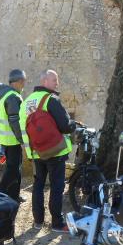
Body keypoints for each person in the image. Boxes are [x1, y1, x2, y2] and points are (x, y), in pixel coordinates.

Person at [19, 69, 75, 233]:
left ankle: (38, 221)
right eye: (54, 80)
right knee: (57, 186)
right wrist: (74, 124)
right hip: (55, 152)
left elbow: (24, 128)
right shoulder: (50, 99)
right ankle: (57, 223)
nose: (57, 83)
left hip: (36, 152)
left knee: (38, 185)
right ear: (44, 81)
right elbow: (65, 126)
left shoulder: (27, 102)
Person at [0, 69, 26, 203]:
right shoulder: (12, 97)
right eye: (23, 82)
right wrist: (21, 139)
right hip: (12, 140)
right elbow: (14, 121)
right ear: (18, 82)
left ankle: (14, 196)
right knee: (12, 170)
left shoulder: (5, 95)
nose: (24, 85)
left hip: (6, 139)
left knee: (15, 169)